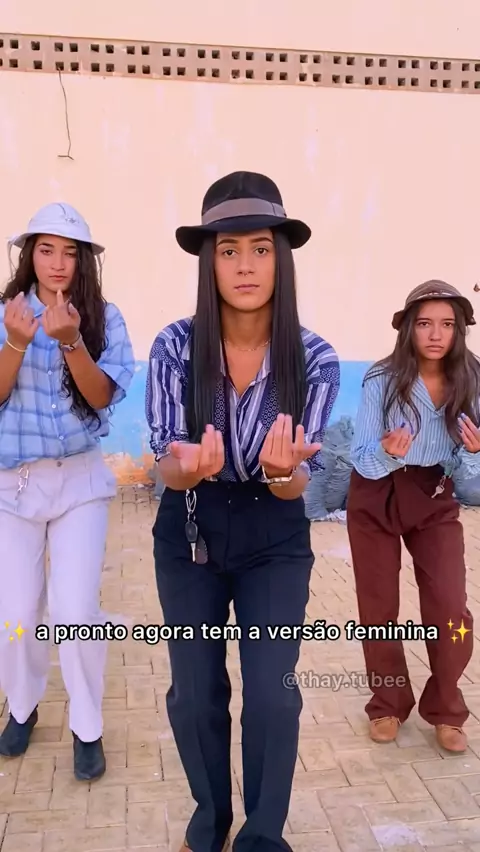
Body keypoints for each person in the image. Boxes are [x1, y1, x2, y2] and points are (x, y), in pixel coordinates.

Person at [146, 172, 340, 852]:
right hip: (190, 526)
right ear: (208, 261)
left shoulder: (314, 358)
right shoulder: (174, 346)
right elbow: (166, 465)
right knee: (195, 690)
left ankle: (261, 837)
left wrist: (283, 471)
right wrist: (185, 467)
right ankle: (209, 824)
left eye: (260, 248)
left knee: (273, 694)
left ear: (281, 257)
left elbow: (294, 484)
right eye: (228, 250)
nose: (245, 265)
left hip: (274, 536)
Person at [0, 202, 135, 779]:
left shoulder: (104, 318)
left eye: (70, 252)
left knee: (75, 610)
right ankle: (22, 705)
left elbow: (102, 396)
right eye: (46, 249)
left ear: (84, 261)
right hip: (14, 485)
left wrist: (73, 341)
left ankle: (87, 724)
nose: (57, 262)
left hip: (79, 480)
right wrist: (15, 342)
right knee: (15, 613)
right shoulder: (7, 314)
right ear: (29, 255)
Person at [346, 280, 480, 754]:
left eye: (447, 324)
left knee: (449, 606)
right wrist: (387, 453)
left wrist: (473, 454)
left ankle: (446, 708)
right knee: (378, 607)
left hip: (434, 493)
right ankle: (387, 702)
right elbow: (361, 458)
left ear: (459, 330)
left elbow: (468, 474)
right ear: (408, 329)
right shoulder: (381, 379)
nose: (436, 334)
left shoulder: (473, 379)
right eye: (425, 324)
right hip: (375, 493)